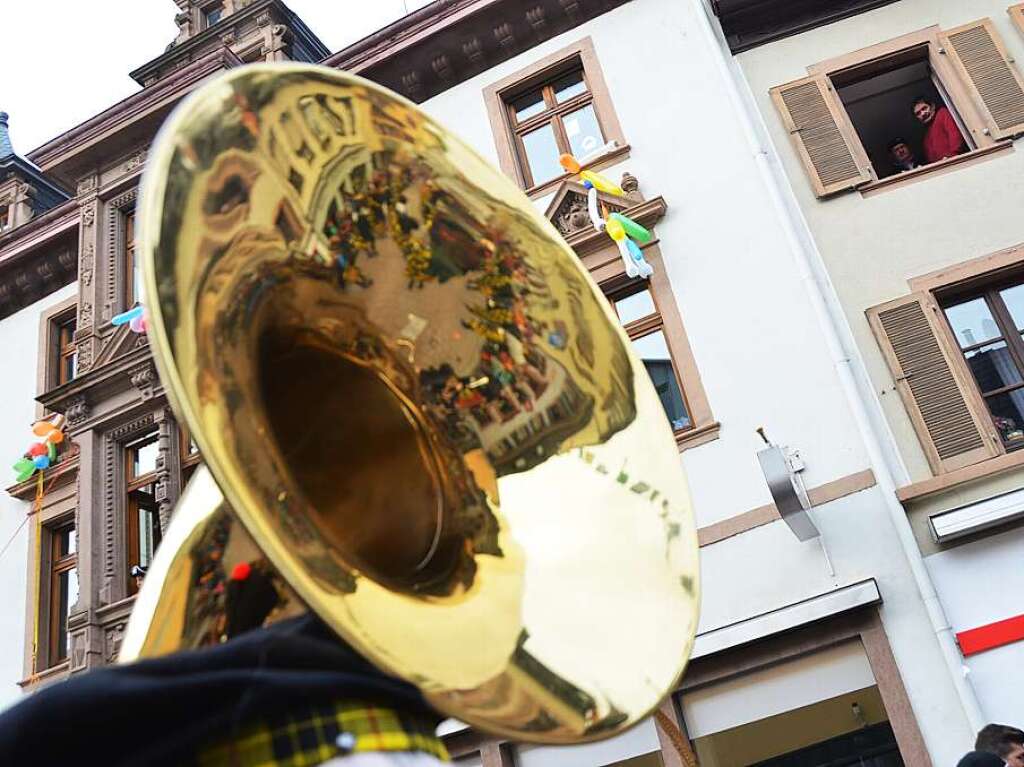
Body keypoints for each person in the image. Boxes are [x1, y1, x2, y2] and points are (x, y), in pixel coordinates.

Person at [912, 96, 966, 163]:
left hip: (955, 162)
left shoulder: (942, 113)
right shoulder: (926, 134)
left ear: (932, 106)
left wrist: (951, 156)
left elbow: (955, 135)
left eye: (924, 108)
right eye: (918, 113)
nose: (922, 114)